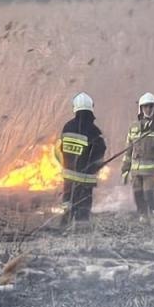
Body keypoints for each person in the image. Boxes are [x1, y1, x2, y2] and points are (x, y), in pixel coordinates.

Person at [58, 91, 106, 225]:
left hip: (68, 177)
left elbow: (60, 149)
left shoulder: (67, 127)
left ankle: (64, 226)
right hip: (85, 178)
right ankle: (81, 231)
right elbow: (100, 151)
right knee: (83, 206)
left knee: (68, 203)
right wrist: (96, 166)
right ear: (91, 108)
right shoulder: (93, 130)